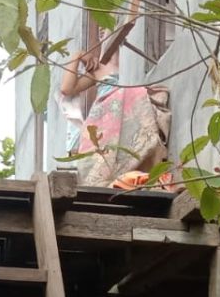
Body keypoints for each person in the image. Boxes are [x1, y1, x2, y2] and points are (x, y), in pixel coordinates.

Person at [58, 16, 170, 188]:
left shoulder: (115, 49)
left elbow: (127, 20)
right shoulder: (97, 67)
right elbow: (67, 89)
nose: (103, 30)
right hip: (106, 113)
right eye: (101, 27)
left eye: (108, 24)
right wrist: (77, 56)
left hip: (121, 111)